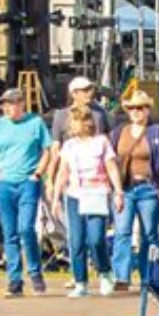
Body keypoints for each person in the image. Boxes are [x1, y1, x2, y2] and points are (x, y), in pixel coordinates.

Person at [0, 87, 52, 297]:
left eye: (10, 104)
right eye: (4, 104)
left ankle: (35, 272)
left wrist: (38, 173)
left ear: (21, 103)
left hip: (27, 182)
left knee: (26, 228)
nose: (6, 108)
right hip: (5, 182)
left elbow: (47, 150)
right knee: (10, 232)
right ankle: (14, 280)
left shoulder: (35, 123)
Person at [53, 107, 124, 298]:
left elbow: (111, 167)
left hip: (97, 194)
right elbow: (63, 172)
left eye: (75, 121)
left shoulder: (101, 142)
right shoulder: (69, 146)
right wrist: (56, 197)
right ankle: (80, 282)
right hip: (75, 195)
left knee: (96, 239)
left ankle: (105, 272)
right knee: (76, 241)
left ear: (86, 123)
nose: (71, 126)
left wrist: (118, 192)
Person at [109, 90, 159, 292]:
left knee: (149, 234)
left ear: (147, 110)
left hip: (148, 188)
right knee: (122, 231)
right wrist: (115, 189)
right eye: (132, 108)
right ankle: (121, 276)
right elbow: (110, 160)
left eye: (140, 108)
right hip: (124, 189)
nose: (136, 111)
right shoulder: (119, 132)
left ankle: (148, 276)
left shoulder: (156, 131)